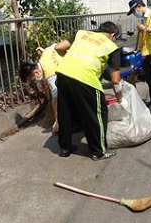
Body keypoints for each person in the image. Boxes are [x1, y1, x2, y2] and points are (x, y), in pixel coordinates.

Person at [53, 22, 124, 161]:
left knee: (66, 112)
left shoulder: (82, 34)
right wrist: (121, 99)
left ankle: (65, 148)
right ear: (113, 35)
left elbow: (58, 47)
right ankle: (98, 151)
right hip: (85, 78)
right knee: (98, 114)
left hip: (63, 74)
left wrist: (75, 58)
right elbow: (115, 80)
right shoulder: (112, 47)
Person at [18, 43, 62, 134]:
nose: (35, 82)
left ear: (36, 72)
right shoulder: (46, 52)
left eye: (33, 80)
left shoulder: (50, 74)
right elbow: (55, 45)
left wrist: (57, 121)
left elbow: (55, 99)